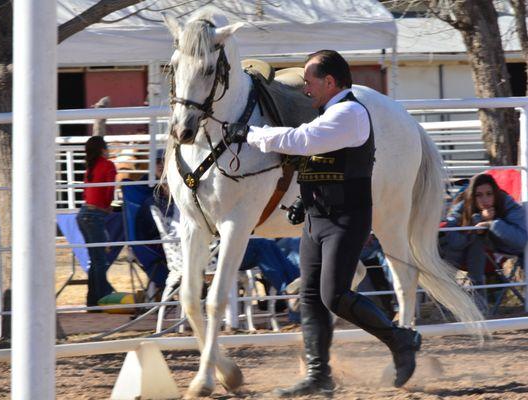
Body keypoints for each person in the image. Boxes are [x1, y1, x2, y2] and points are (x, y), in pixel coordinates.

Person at [226, 50, 420, 396]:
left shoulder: (349, 113)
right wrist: (303, 198)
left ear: (330, 82)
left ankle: (401, 339)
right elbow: (315, 161)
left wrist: (252, 135)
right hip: (317, 219)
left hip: (345, 219)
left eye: (309, 82)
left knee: (334, 295)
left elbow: (302, 142)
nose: (305, 90)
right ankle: (319, 375)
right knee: (312, 298)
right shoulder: (327, 113)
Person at [440, 173, 527, 308]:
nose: (484, 199)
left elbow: (520, 240)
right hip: (467, 255)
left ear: (495, 194)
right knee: (473, 241)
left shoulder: (508, 204)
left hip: (503, 251)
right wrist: (472, 230)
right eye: (478, 195)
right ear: (472, 196)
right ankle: (451, 297)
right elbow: (453, 239)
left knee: (478, 240)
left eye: (489, 194)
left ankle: (469, 298)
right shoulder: (463, 206)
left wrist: (491, 224)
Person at [77, 136, 117, 307]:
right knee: (100, 261)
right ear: (102, 149)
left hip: (84, 213)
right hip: (95, 215)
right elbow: (109, 190)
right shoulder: (108, 165)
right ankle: (101, 298)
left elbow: (86, 193)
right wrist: (108, 206)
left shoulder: (90, 167)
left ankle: (93, 299)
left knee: (95, 259)